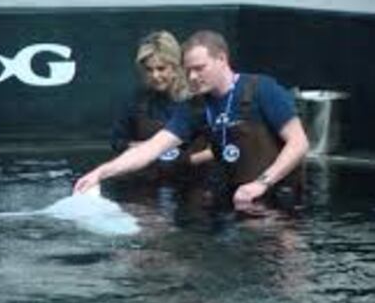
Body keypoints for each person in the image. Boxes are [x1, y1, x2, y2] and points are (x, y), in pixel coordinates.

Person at [74, 30, 309, 207]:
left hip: (280, 198)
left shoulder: (262, 89)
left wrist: (262, 183)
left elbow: (299, 143)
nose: (193, 77)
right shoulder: (195, 107)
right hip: (239, 201)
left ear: (222, 59)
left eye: (200, 68)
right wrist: (100, 173)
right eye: (188, 71)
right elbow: (150, 150)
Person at [110, 30, 211, 182]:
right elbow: (118, 141)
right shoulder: (137, 100)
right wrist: (145, 148)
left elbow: (220, 146)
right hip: (149, 180)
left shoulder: (198, 99)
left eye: (161, 68)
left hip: (193, 181)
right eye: (149, 70)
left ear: (176, 67)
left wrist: (186, 160)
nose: (155, 76)